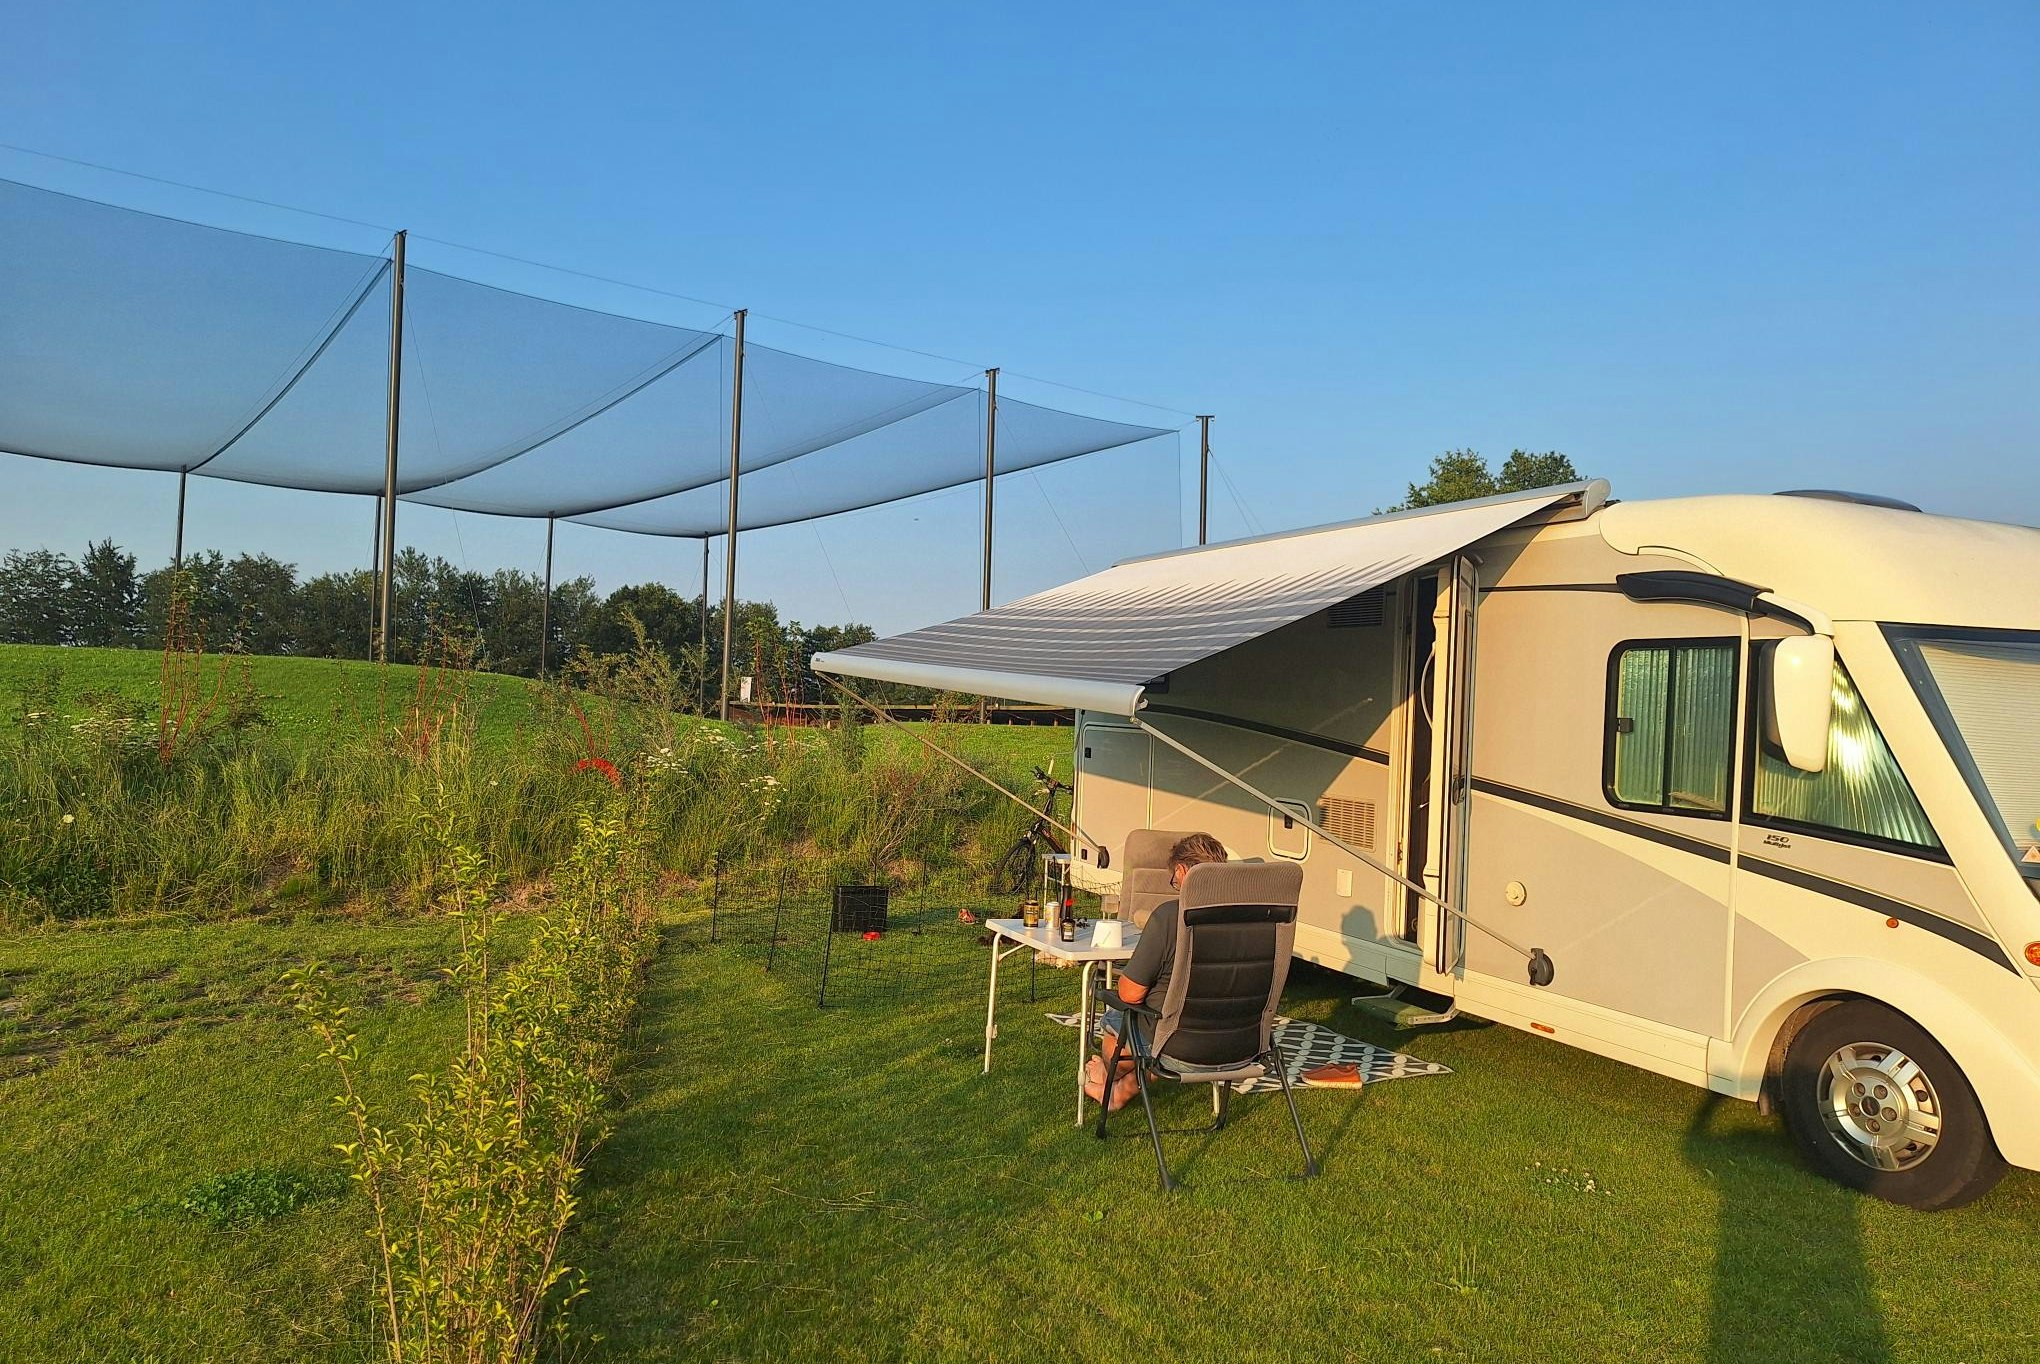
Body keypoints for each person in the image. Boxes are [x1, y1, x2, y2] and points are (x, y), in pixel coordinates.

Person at [1084, 832, 1229, 1112]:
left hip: (1179, 1046)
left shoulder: (1170, 917)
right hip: (1238, 1045)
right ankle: (1120, 1091)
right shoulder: (1249, 918)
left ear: (1182, 871)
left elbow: (1129, 992)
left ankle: (1108, 1072)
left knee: (1119, 1014)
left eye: (1174, 880)